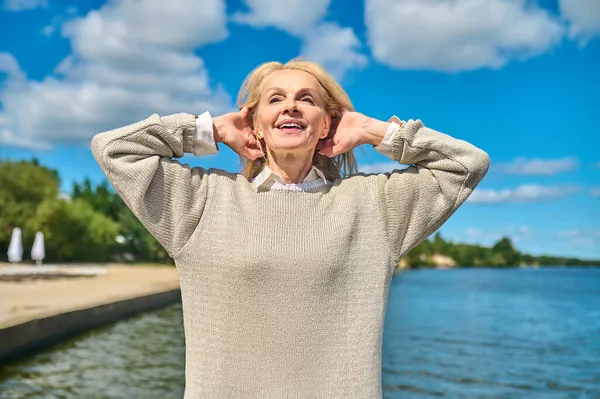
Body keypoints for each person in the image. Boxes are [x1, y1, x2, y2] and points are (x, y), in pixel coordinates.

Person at [91, 58, 490, 398]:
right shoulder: (201, 201)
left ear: (326, 124)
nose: (291, 108)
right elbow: (114, 150)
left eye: (306, 99)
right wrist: (206, 130)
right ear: (256, 124)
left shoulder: (375, 206)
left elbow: (466, 164)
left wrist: (373, 131)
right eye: (276, 99)